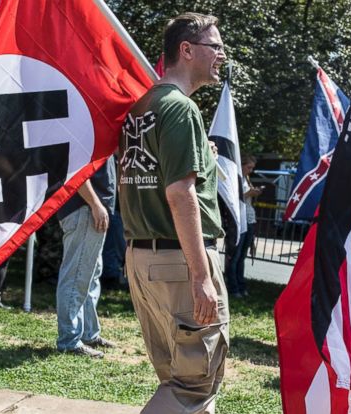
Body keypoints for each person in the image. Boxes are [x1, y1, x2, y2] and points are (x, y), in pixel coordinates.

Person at [118, 13, 229, 413]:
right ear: (186, 50)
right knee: (194, 384)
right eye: (215, 46)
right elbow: (180, 194)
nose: (221, 54)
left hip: (144, 260)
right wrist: (201, 276)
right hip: (179, 263)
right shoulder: (180, 109)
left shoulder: (142, 107)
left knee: (179, 380)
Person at [55, 156, 117, 358]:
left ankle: (89, 333)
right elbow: (75, 170)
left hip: (91, 209)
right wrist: (95, 204)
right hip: (84, 209)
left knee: (90, 274)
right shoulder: (85, 129)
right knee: (76, 276)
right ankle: (70, 340)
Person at [224, 155, 261, 298]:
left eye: (252, 168)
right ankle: (233, 287)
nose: (250, 170)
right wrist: (249, 193)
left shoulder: (246, 178)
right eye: (249, 167)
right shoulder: (235, 177)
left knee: (242, 256)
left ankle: (240, 285)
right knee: (235, 256)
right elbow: (233, 196)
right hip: (238, 221)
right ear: (242, 165)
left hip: (249, 219)